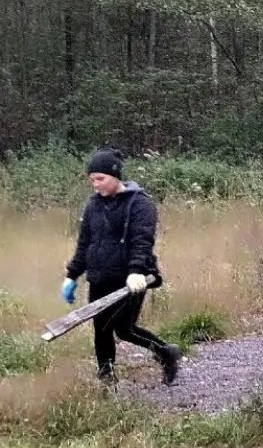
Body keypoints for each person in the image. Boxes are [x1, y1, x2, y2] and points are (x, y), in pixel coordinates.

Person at [61, 148, 180, 386]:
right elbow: (85, 243)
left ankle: (166, 353)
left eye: (100, 179)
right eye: (92, 180)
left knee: (124, 330)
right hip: (99, 278)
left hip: (130, 280)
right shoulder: (93, 205)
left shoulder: (139, 204)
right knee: (101, 329)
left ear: (115, 175)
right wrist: (72, 275)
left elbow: (142, 241)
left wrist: (136, 270)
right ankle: (107, 377)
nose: (95, 185)